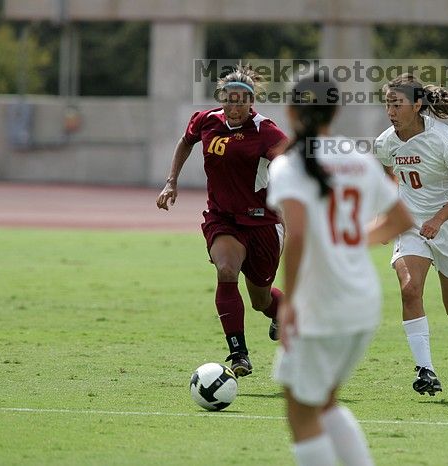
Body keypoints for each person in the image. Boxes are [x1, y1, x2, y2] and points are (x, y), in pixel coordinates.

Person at [267, 72, 413, 466]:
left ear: (292, 110)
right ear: (335, 110)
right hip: (362, 303)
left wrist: (289, 303)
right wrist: (351, 241)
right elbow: (401, 219)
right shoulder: (358, 158)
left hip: (322, 305)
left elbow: (295, 238)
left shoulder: (290, 164)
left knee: (301, 411)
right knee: (325, 402)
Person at [156, 65, 289, 377]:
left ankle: (285, 312)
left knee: (260, 299)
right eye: (230, 99)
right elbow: (186, 141)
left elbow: (290, 161)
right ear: (222, 99)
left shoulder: (266, 131)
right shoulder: (206, 121)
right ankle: (238, 353)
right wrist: (171, 181)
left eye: (242, 101)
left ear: (251, 102)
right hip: (222, 219)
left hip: (263, 223)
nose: (235, 106)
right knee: (226, 270)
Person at [375, 73, 448, 397]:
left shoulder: (443, 138)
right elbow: (386, 180)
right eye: (387, 103)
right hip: (411, 226)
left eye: (397, 104)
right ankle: (425, 370)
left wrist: (438, 220)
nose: (390, 111)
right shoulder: (385, 143)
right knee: (409, 289)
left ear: (417, 105)